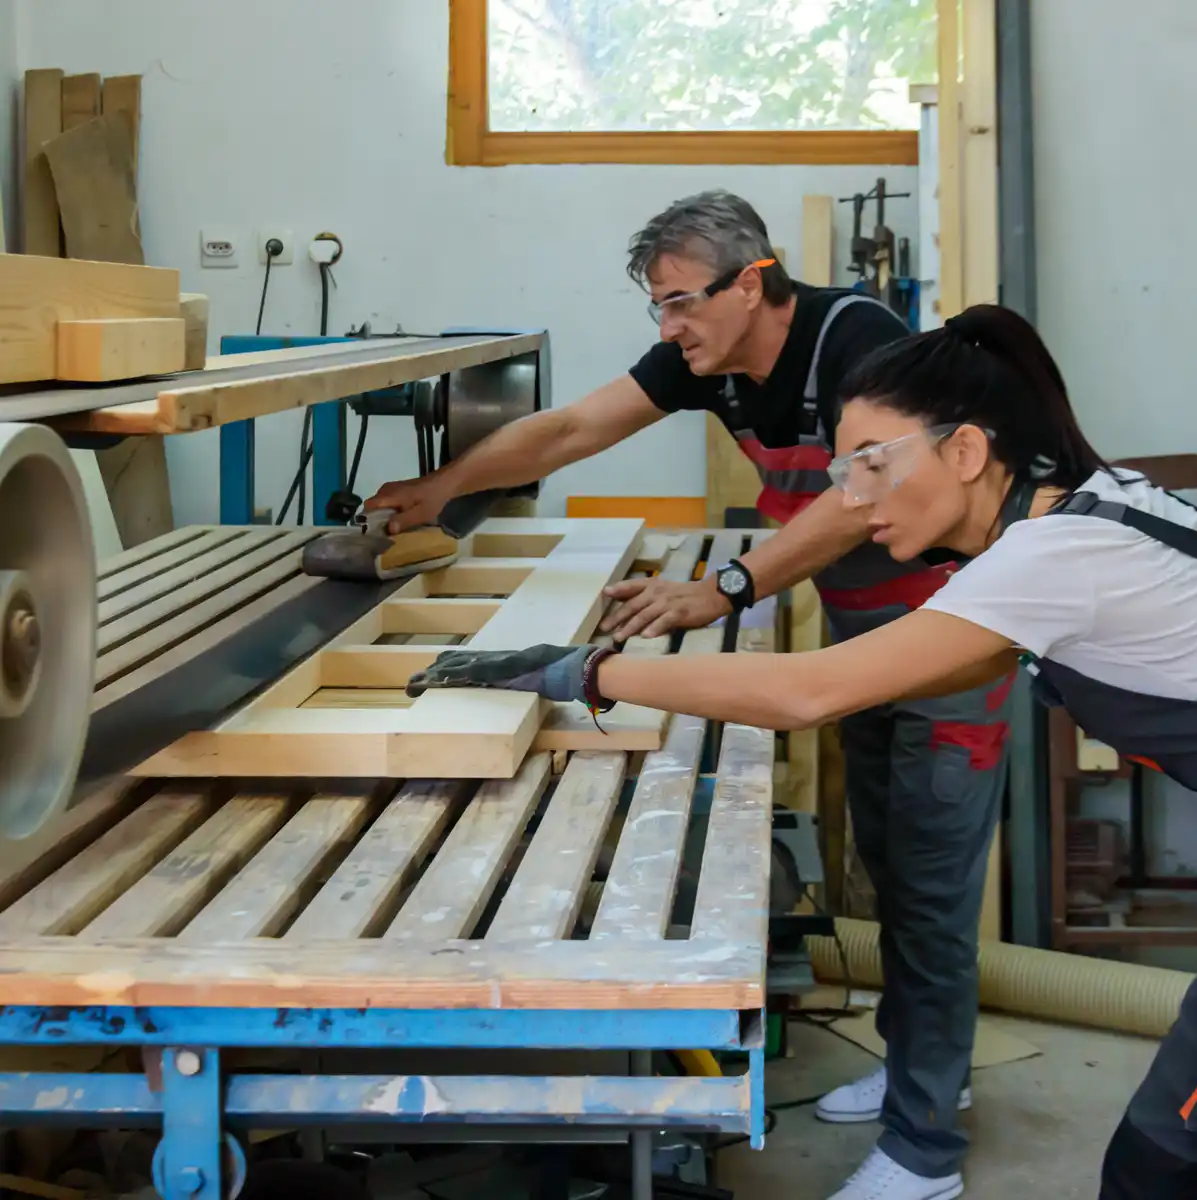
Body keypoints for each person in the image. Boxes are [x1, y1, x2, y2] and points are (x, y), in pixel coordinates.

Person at [403, 302, 1197, 1200]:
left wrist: (589, 673)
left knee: (1161, 1160)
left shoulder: (1049, 558)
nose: (851, 498)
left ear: (967, 452)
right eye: (842, 468)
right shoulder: (1082, 514)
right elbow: (923, 668)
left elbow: (807, 692)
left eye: (873, 464)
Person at [368, 190, 1014, 1198]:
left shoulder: (860, 344)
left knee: (930, 885)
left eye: (681, 303)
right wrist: (443, 487)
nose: (669, 330)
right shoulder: (706, 361)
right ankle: (923, 1073)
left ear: (752, 282)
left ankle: (925, 1151)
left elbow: (860, 502)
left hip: (947, 645)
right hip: (863, 639)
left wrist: (719, 587)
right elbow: (574, 428)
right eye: (657, 309)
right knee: (892, 863)